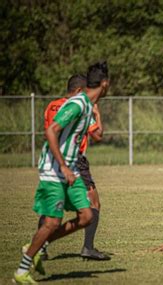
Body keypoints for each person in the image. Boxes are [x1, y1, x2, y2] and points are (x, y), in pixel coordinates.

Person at [13, 61, 110, 284]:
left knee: (86, 216)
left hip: (72, 168)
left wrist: (96, 114)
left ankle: (38, 246)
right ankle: (22, 270)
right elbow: (51, 130)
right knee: (52, 223)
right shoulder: (76, 104)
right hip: (55, 171)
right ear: (104, 84)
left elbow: (98, 135)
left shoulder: (87, 105)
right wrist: (64, 166)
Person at [36, 74, 110, 261]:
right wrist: (97, 116)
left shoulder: (51, 106)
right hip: (74, 159)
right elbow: (97, 135)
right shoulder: (81, 106)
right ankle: (88, 247)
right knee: (93, 204)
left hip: (51, 159)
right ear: (79, 91)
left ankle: (40, 249)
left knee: (50, 209)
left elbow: (50, 130)